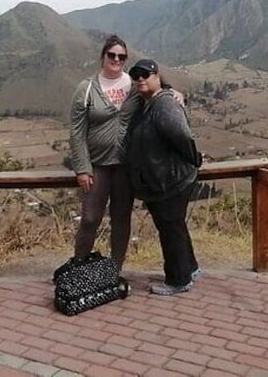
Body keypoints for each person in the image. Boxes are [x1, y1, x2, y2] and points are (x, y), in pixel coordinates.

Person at [125, 58, 202, 296]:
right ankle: (190, 268)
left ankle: (178, 280)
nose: (140, 79)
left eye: (145, 74)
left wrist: (192, 159)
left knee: (170, 228)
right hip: (162, 179)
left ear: (157, 76)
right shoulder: (147, 103)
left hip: (170, 179)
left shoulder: (164, 104)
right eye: (136, 75)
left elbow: (181, 135)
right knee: (174, 225)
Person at [68, 35, 136, 270]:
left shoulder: (134, 85)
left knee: (121, 220)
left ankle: (114, 270)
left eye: (121, 56)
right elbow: (76, 131)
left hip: (126, 166)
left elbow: (158, 87)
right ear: (103, 57)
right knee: (89, 219)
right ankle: (79, 268)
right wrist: (82, 168)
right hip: (97, 166)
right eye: (112, 55)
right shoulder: (86, 89)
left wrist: (176, 93)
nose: (116, 59)